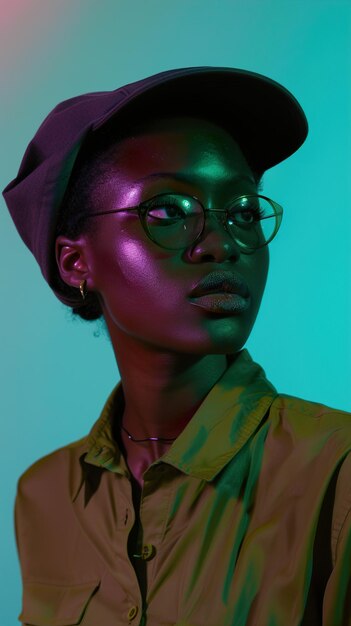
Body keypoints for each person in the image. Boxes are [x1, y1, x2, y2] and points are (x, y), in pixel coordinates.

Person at [3, 67, 351, 626]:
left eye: (242, 211)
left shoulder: (337, 472)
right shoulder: (44, 495)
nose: (222, 243)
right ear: (76, 263)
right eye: (167, 211)